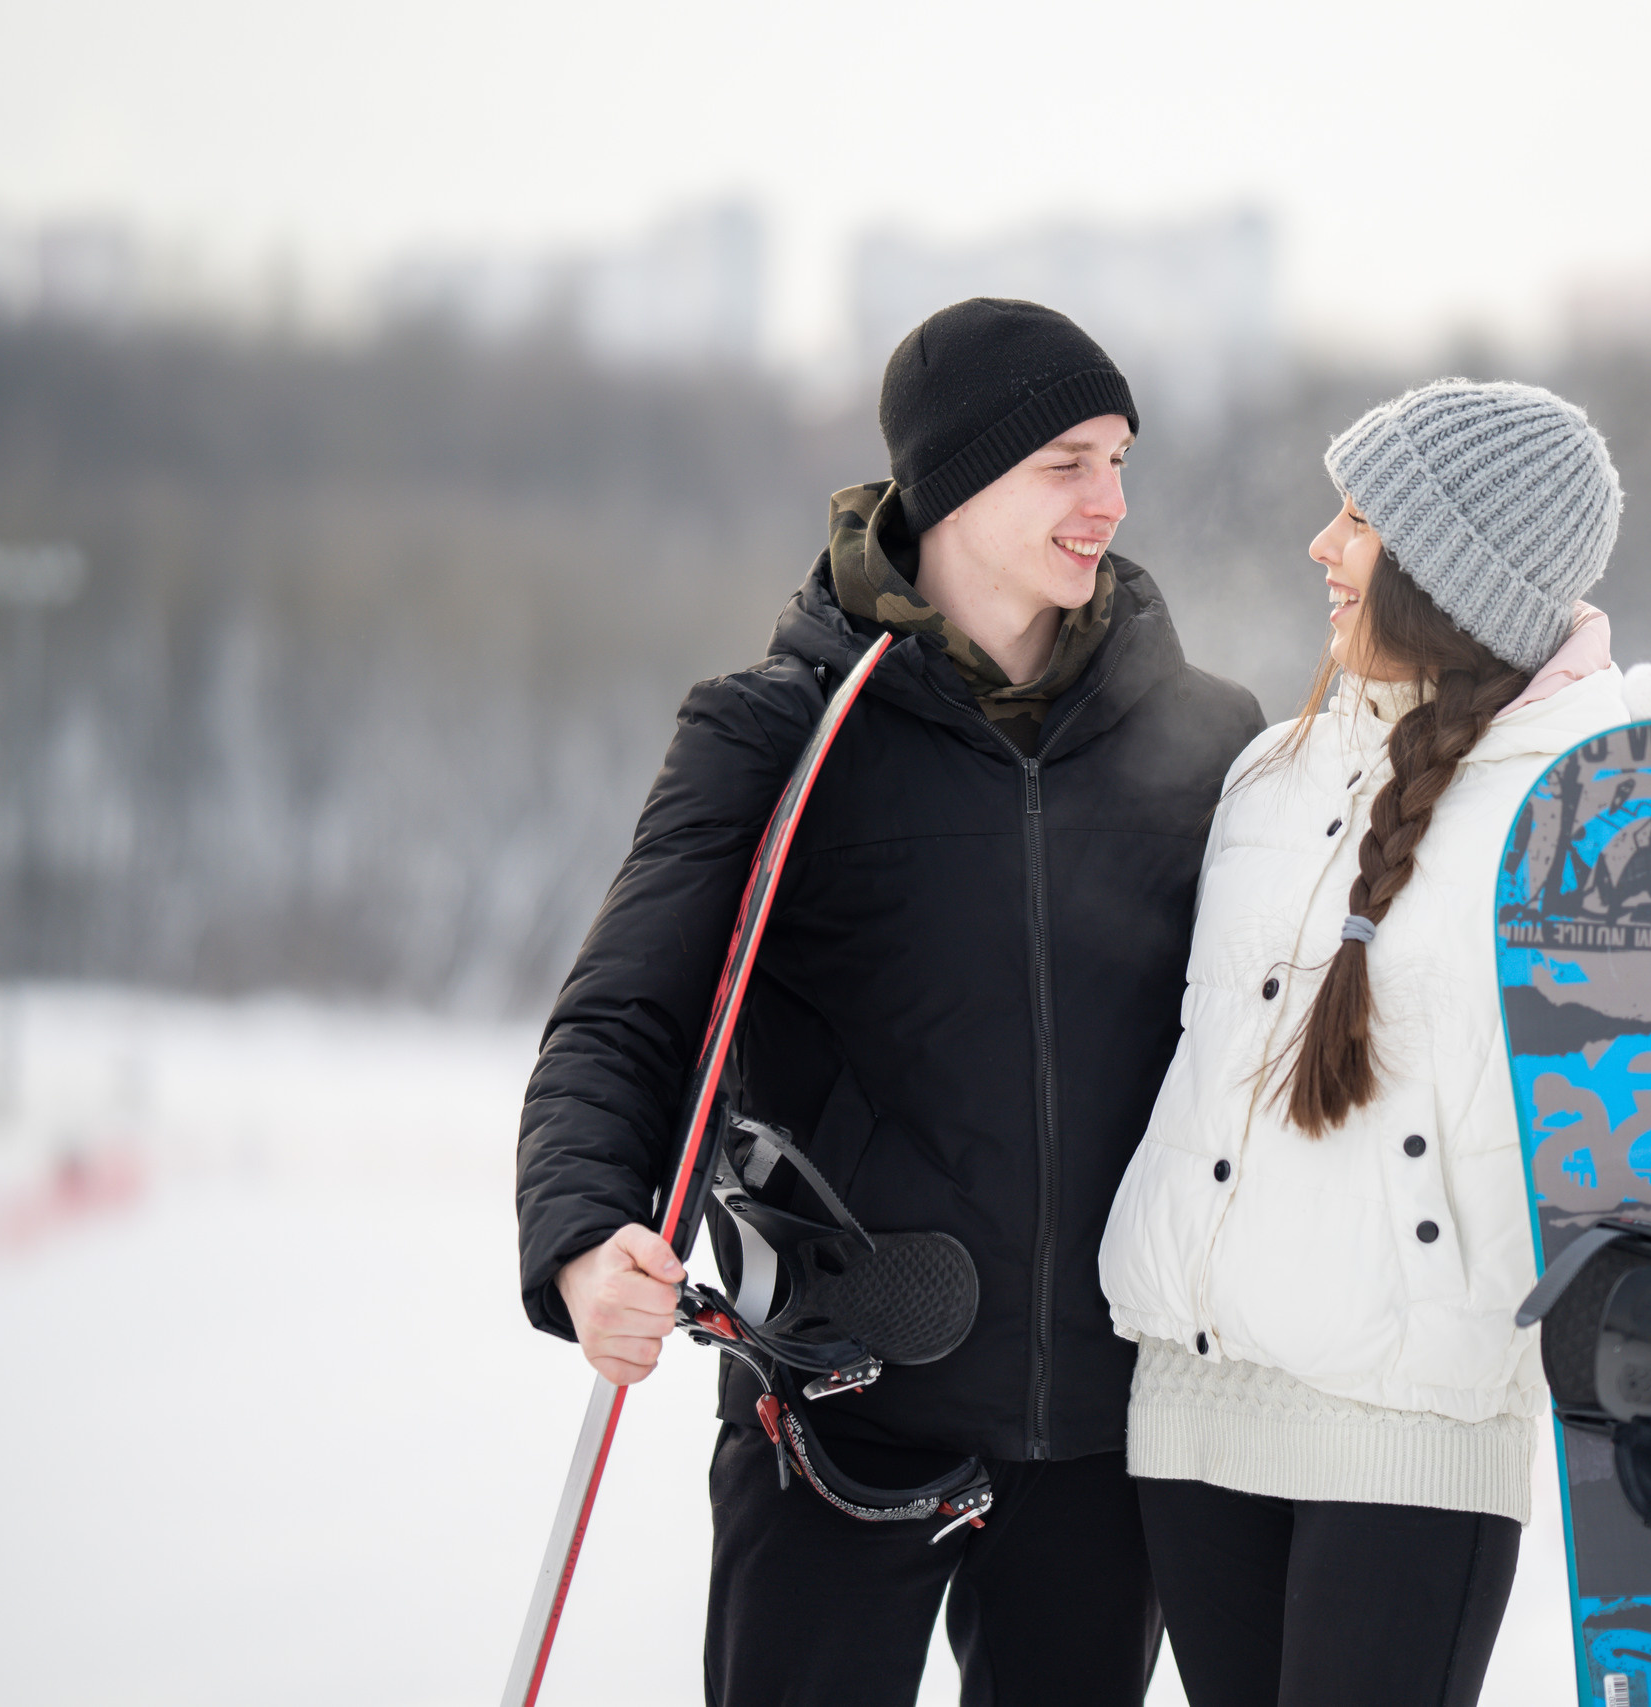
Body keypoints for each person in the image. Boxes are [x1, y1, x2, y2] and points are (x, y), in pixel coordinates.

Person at [517, 297, 1265, 1707]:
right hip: (842, 1414)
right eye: (1066, 464)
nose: (1110, 500)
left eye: (1119, 459)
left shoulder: (1209, 737)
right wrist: (583, 1233)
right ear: (956, 481)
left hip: (1107, 1443)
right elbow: (626, 1018)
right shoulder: (779, 731)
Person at [1097, 379, 1651, 1707]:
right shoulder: (1270, 775)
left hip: (1411, 1432)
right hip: (1198, 1411)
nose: (1322, 544)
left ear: (1445, 568)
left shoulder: (1593, 790)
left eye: (1359, 518)